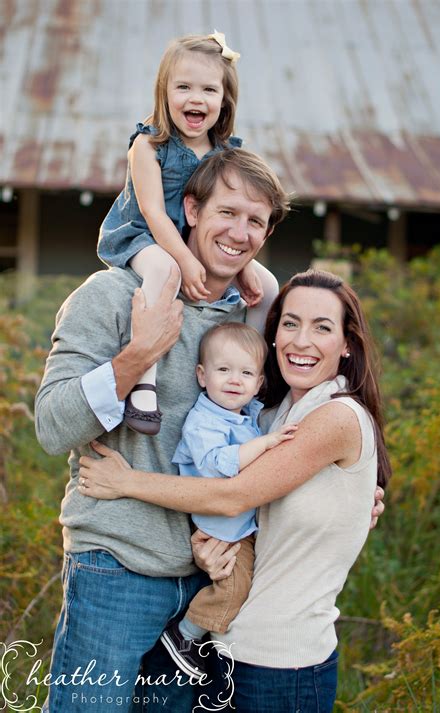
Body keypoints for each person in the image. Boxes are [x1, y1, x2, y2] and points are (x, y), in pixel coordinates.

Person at [34, 147, 293, 713]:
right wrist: (138, 354)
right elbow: (52, 426)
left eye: (256, 221)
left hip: (209, 580)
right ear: (192, 208)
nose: (240, 232)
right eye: (228, 212)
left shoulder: (249, 321)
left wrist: (348, 487)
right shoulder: (109, 296)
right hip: (115, 570)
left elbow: (277, 430)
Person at [78, 268, 391, 713]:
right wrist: (215, 553)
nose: (301, 341)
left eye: (322, 328)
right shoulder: (273, 415)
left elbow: (233, 495)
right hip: (229, 651)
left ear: (346, 345)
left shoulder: (336, 417)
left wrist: (126, 482)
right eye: (289, 323)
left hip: (284, 665)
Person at [97, 32, 279, 435]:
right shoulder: (148, 146)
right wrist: (185, 258)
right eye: (183, 87)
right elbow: (154, 214)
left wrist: (243, 265)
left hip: (191, 244)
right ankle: (144, 383)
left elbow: (231, 221)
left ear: (224, 100)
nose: (195, 99)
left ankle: (251, 378)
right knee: (166, 274)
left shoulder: (224, 154)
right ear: (164, 92)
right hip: (144, 237)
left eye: (208, 89)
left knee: (266, 285)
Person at [160, 322, 297, 679]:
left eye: (246, 373)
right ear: (202, 376)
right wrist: (265, 444)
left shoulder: (247, 413)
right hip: (221, 525)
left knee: (247, 583)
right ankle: (185, 635)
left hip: (237, 522)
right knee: (234, 587)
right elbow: (218, 467)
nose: (235, 380)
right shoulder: (203, 422)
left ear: (259, 383)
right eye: (224, 370)